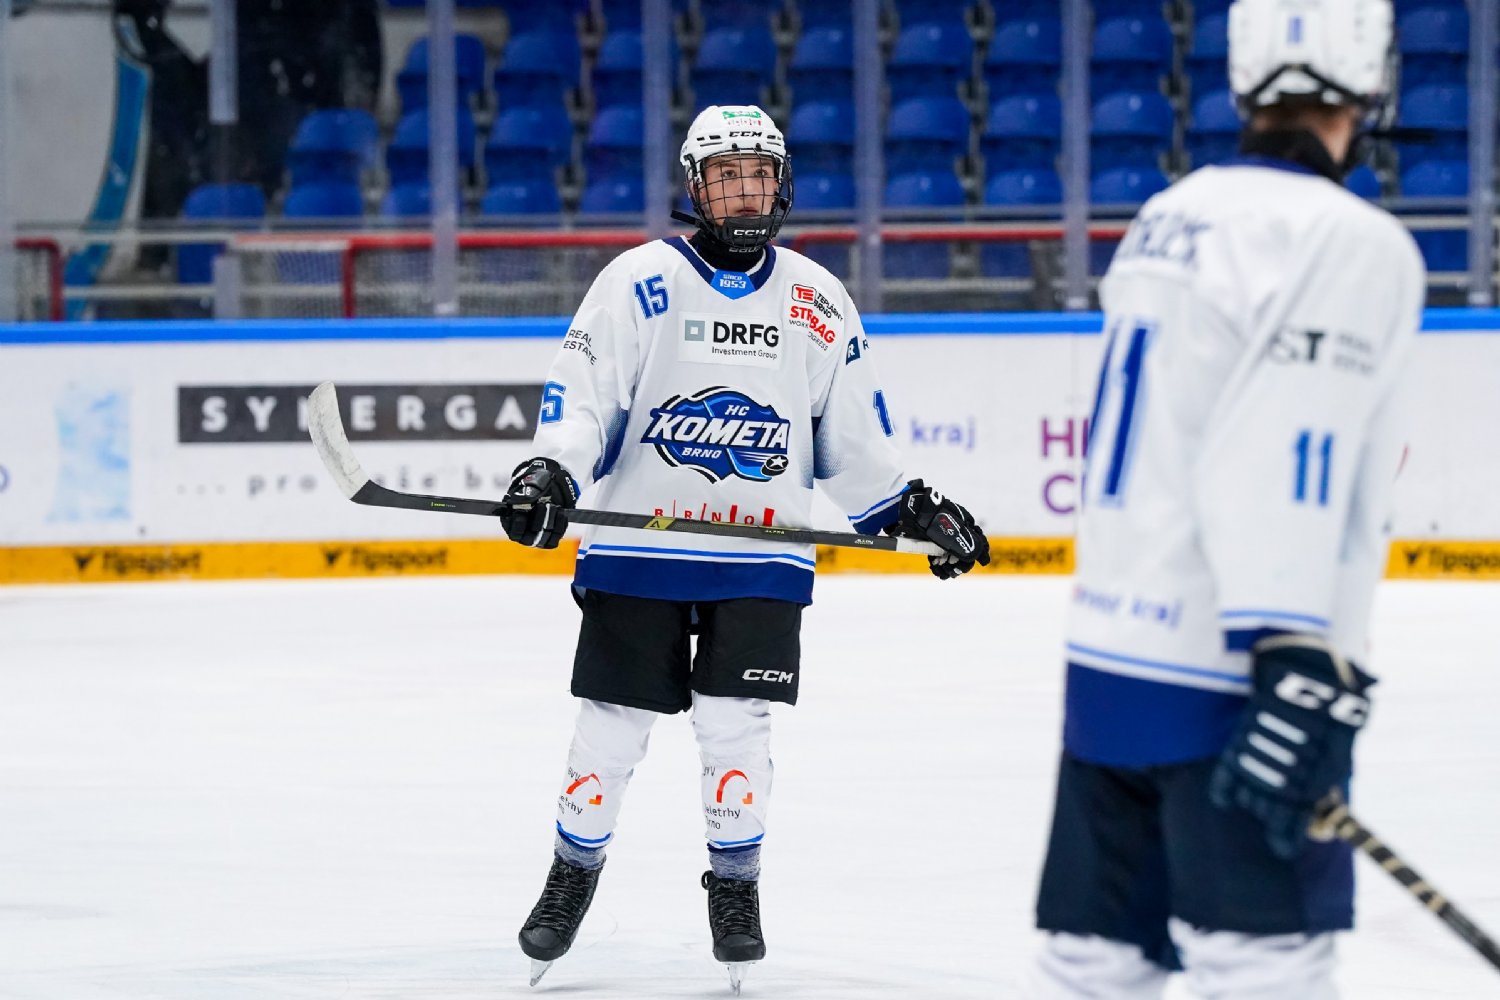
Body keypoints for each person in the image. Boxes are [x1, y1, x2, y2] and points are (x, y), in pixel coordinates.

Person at [498, 104, 991, 989]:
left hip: (762, 555)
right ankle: (572, 878)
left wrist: (911, 508)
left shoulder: (816, 297)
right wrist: (553, 471)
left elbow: (852, 439)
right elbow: (583, 397)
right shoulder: (640, 281)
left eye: (757, 174)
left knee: (736, 727)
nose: (743, 191)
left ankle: (735, 891)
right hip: (642, 549)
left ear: (781, 183)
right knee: (611, 726)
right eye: (725, 175)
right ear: (696, 187)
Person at [1028, 1, 1425, 996]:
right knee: (1264, 966)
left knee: (1095, 961)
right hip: (1239, 672)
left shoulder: (1167, 215)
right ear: (1370, 75)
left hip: (1109, 661)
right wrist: (1290, 654)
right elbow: (1285, 443)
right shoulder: (1349, 240)